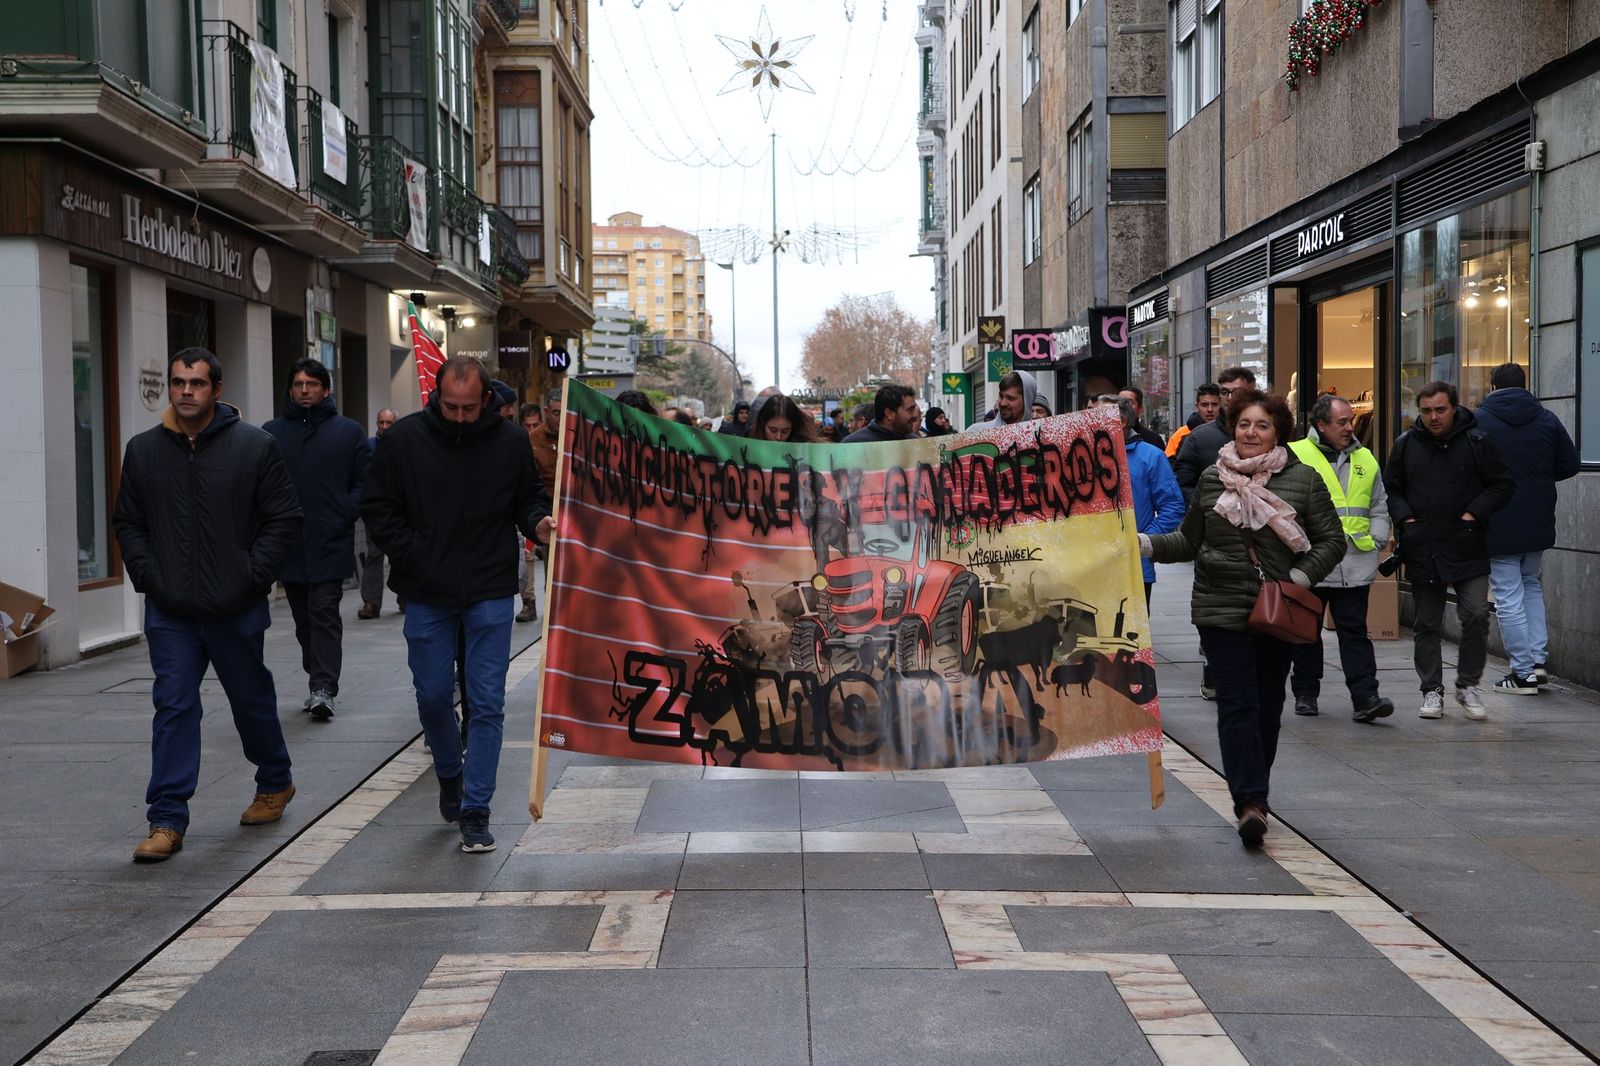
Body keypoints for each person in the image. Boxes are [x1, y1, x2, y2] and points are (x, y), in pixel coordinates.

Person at [114, 347, 304, 862]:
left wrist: (250, 576)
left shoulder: (255, 447)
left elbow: (283, 519)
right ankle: (166, 819)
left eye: (197, 384)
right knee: (174, 705)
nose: (186, 392)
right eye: (178, 383)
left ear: (216, 389)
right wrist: (150, 577)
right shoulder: (144, 451)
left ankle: (275, 780)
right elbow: (128, 522)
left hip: (235, 603)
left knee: (250, 699)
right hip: (171, 607)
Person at [361, 357, 553, 853]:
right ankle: (450, 771)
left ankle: (476, 809)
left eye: (470, 408)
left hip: (489, 587)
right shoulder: (403, 440)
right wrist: (412, 553)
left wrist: (539, 523)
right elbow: (377, 506)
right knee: (431, 694)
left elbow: (527, 498)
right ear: (437, 398)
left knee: (487, 703)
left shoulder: (510, 442)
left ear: (487, 399)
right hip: (426, 590)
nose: (461, 416)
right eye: (451, 407)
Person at [1143, 388, 1344, 846]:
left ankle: (1254, 791)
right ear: (1232, 427)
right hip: (1220, 611)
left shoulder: (1304, 479)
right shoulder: (1215, 478)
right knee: (1238, 706)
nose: (1251, 433)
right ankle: (1250, 802)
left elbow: (1332, 540)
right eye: (1244, 424)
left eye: (1262, 425)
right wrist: (1146, 544)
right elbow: (1189, 541)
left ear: (1278, 432)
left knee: (1269, 707)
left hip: (1277, 611)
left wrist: (1301, 576)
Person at [1384, 381, 1515, 721]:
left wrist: (1474, 513)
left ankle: (1467, 684)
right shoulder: (1406, 444)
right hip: (1423, 545)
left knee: (1475, 614)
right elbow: (1392, 488)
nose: (1433, 417)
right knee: (1426, 622)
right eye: (1426, 410)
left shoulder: (1478, 442)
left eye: (1440, 409)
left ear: (1454, 408)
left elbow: (1502, 484)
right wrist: (1406, 520)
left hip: (1467, 543)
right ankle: (1431, 690)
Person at [263, 358, 371, 720]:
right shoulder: (272, 433)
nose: (304, 389)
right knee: (303, 620)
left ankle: (324, 687)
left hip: (330, 539)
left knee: (324, 613)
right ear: (290, 390)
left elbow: (366, 481)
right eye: (298, 384)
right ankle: (317, 679)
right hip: (289, 544)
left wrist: (345, 510)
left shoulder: (348, 432)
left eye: (312, 383)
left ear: (326, 389)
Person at [1462, 363, 1578, 694]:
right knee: (1532, 587)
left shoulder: (1480, 421)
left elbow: (1466, 470)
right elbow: (1569, 464)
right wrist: (1538, 481)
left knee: (1508, 595)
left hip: (1497, 518)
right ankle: (1538, 664)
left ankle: (1523, 671)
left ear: (1493, 386)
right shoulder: (1547, 419)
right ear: (1525, 385)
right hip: (1538, 518)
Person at [1286, 394, 1395, 722]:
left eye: (1350, 420)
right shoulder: (1296, 456)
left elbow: (1378, 504)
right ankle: (1306, 692)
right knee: (1307, 632)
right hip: (1312, 562)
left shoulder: (1366, 458)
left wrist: (1377, 537)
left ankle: (1366, 697)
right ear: (1321, 425)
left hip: (1355, 562)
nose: (1350, 427)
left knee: (1355, 632)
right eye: (1342, 422)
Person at [1096, 394, 1184, 606]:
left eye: (1100, 416)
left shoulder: (1151, 457)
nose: (1094, 420)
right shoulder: (1079, 455)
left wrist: (1143, 539)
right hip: (1089, 565)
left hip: (1134, 565)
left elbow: (1173, 506)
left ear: (1123, 421)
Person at [1174, 368, 1257, 502]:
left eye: (1238, 392)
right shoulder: (1198, 438)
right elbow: (1183, 485)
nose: (1230, 398)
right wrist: (1207, 507)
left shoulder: (1267, 434)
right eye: (1224, 392)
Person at [358, 408, 399, 619]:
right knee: (374, 554)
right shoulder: (368, 447)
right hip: (375, 510)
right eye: (381, 422)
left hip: (400, 510)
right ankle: (371, 602)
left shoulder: (404, 445)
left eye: (388, 422)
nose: (384, 426)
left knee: (401, 554)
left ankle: (406, 597)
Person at [842, 384, 921, 442]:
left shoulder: (915, 442)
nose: (915, 415)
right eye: (910, 410)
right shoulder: (854, 444)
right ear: (889, 414)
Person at [1166, 384, 1222, 460]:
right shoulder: (1180, 435)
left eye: (1214, 404)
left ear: (1221, 405)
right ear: (1196, 406)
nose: (1210, 409)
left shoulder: (1230, 432)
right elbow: (1168, 466)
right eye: (1204, 405)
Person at [969, 370, 1036, 429]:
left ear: (1027, 400)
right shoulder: (976, 433)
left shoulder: (1039, 435)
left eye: (1010, 398)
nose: (1003, 403)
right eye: (1001, 396)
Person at [751, 392, 819, 442]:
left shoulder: (806, 448)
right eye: (773, 430)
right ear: (763, 423)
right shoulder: (749, 445)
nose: (778, 437)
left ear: (793, 428)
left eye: (785, 431)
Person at [1120, 386, 1166, 451]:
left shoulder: (1153, 440)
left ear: (1140, 409)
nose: (1123, 406)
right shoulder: (1108, 436)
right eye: (1119, 402)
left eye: (1129, 402)